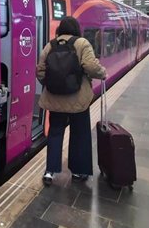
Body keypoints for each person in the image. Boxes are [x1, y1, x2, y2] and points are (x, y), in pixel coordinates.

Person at [36, 16, 107, 185]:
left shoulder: (50, 45)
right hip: (78, 101)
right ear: (76, 29)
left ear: (60, 29)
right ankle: (78, 171)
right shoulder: (82, 43)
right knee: (80, 134)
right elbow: (90, 67)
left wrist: (52, 84)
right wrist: (102, 72)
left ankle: (50, 172)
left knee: (55, 133)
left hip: (55, 100)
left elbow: (40, 72)